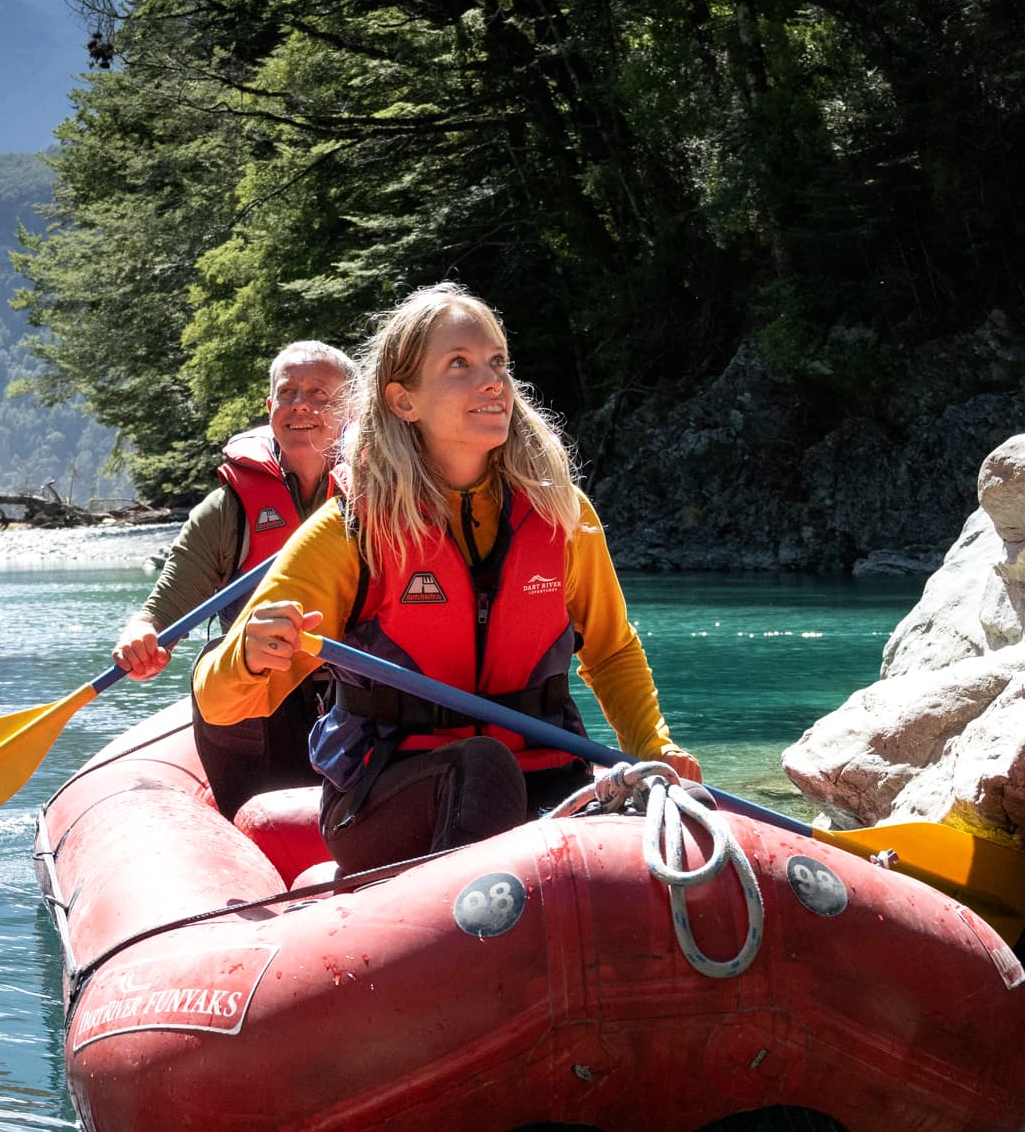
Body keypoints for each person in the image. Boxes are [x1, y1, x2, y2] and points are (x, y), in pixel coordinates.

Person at [195, 283, 696, 873]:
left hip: (545, 780)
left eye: (498, 363)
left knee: (681, 805)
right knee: (482, 765)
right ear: (404, 401)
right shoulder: (350, 531)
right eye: (459, 364)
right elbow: (221, 703)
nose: (493, 382)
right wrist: (250, 658)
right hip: (384, 794)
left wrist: (655, 751)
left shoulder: (562, 513)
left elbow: (610, 653)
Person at [117, 340, 353, 811]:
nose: (301, 404)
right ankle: (251, 819)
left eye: (320, 395)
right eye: (287, 393)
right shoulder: (230, 510)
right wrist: (141, 635)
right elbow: (161, 611)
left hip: (359, 696)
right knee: (214, 656)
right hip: (264, 696)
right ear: (270, 409)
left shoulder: (387, 497)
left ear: (353, 409)